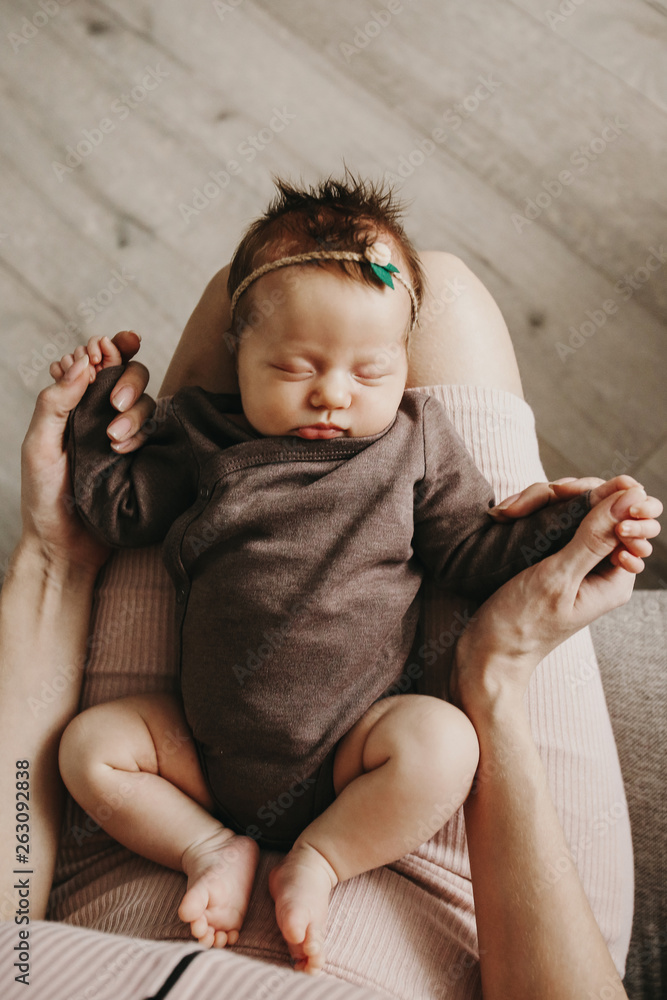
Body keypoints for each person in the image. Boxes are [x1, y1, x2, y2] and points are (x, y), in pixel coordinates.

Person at [0, 258, 659, 1000]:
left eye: (371, 372)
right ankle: (210, 848)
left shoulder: (415, 441)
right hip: (202, 764)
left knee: (437, 744)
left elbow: (471, 548)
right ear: (245, 363)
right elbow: (126, 507)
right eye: (293, 367)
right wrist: (95, 432)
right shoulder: (207, 434)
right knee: (94, 750)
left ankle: (318, 857)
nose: (332, 394)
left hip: (356, 753)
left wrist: (559, 528)